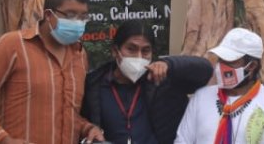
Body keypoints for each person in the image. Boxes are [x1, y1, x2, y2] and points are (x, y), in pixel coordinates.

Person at [0, 0, 106, 144]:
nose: (78, 23)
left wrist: (88, 128)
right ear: (48, 15)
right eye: (71, 15)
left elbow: (67, 114)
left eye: (83, 17)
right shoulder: (13, 45)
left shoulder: (79, 55)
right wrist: (3, 140)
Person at [82, 20, 215, 144]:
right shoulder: (94, 84)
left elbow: (205, 70)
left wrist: (169, 64)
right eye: (131, 49)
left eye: (145, 51)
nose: (138, 57)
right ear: (115, 51)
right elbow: (80, 122)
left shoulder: (163, 79)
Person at [175, 27, 264, 144]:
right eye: (220, 60)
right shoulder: (201, 97)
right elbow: (182, 140)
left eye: (229, 61)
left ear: (251, 66)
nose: (221, 66)